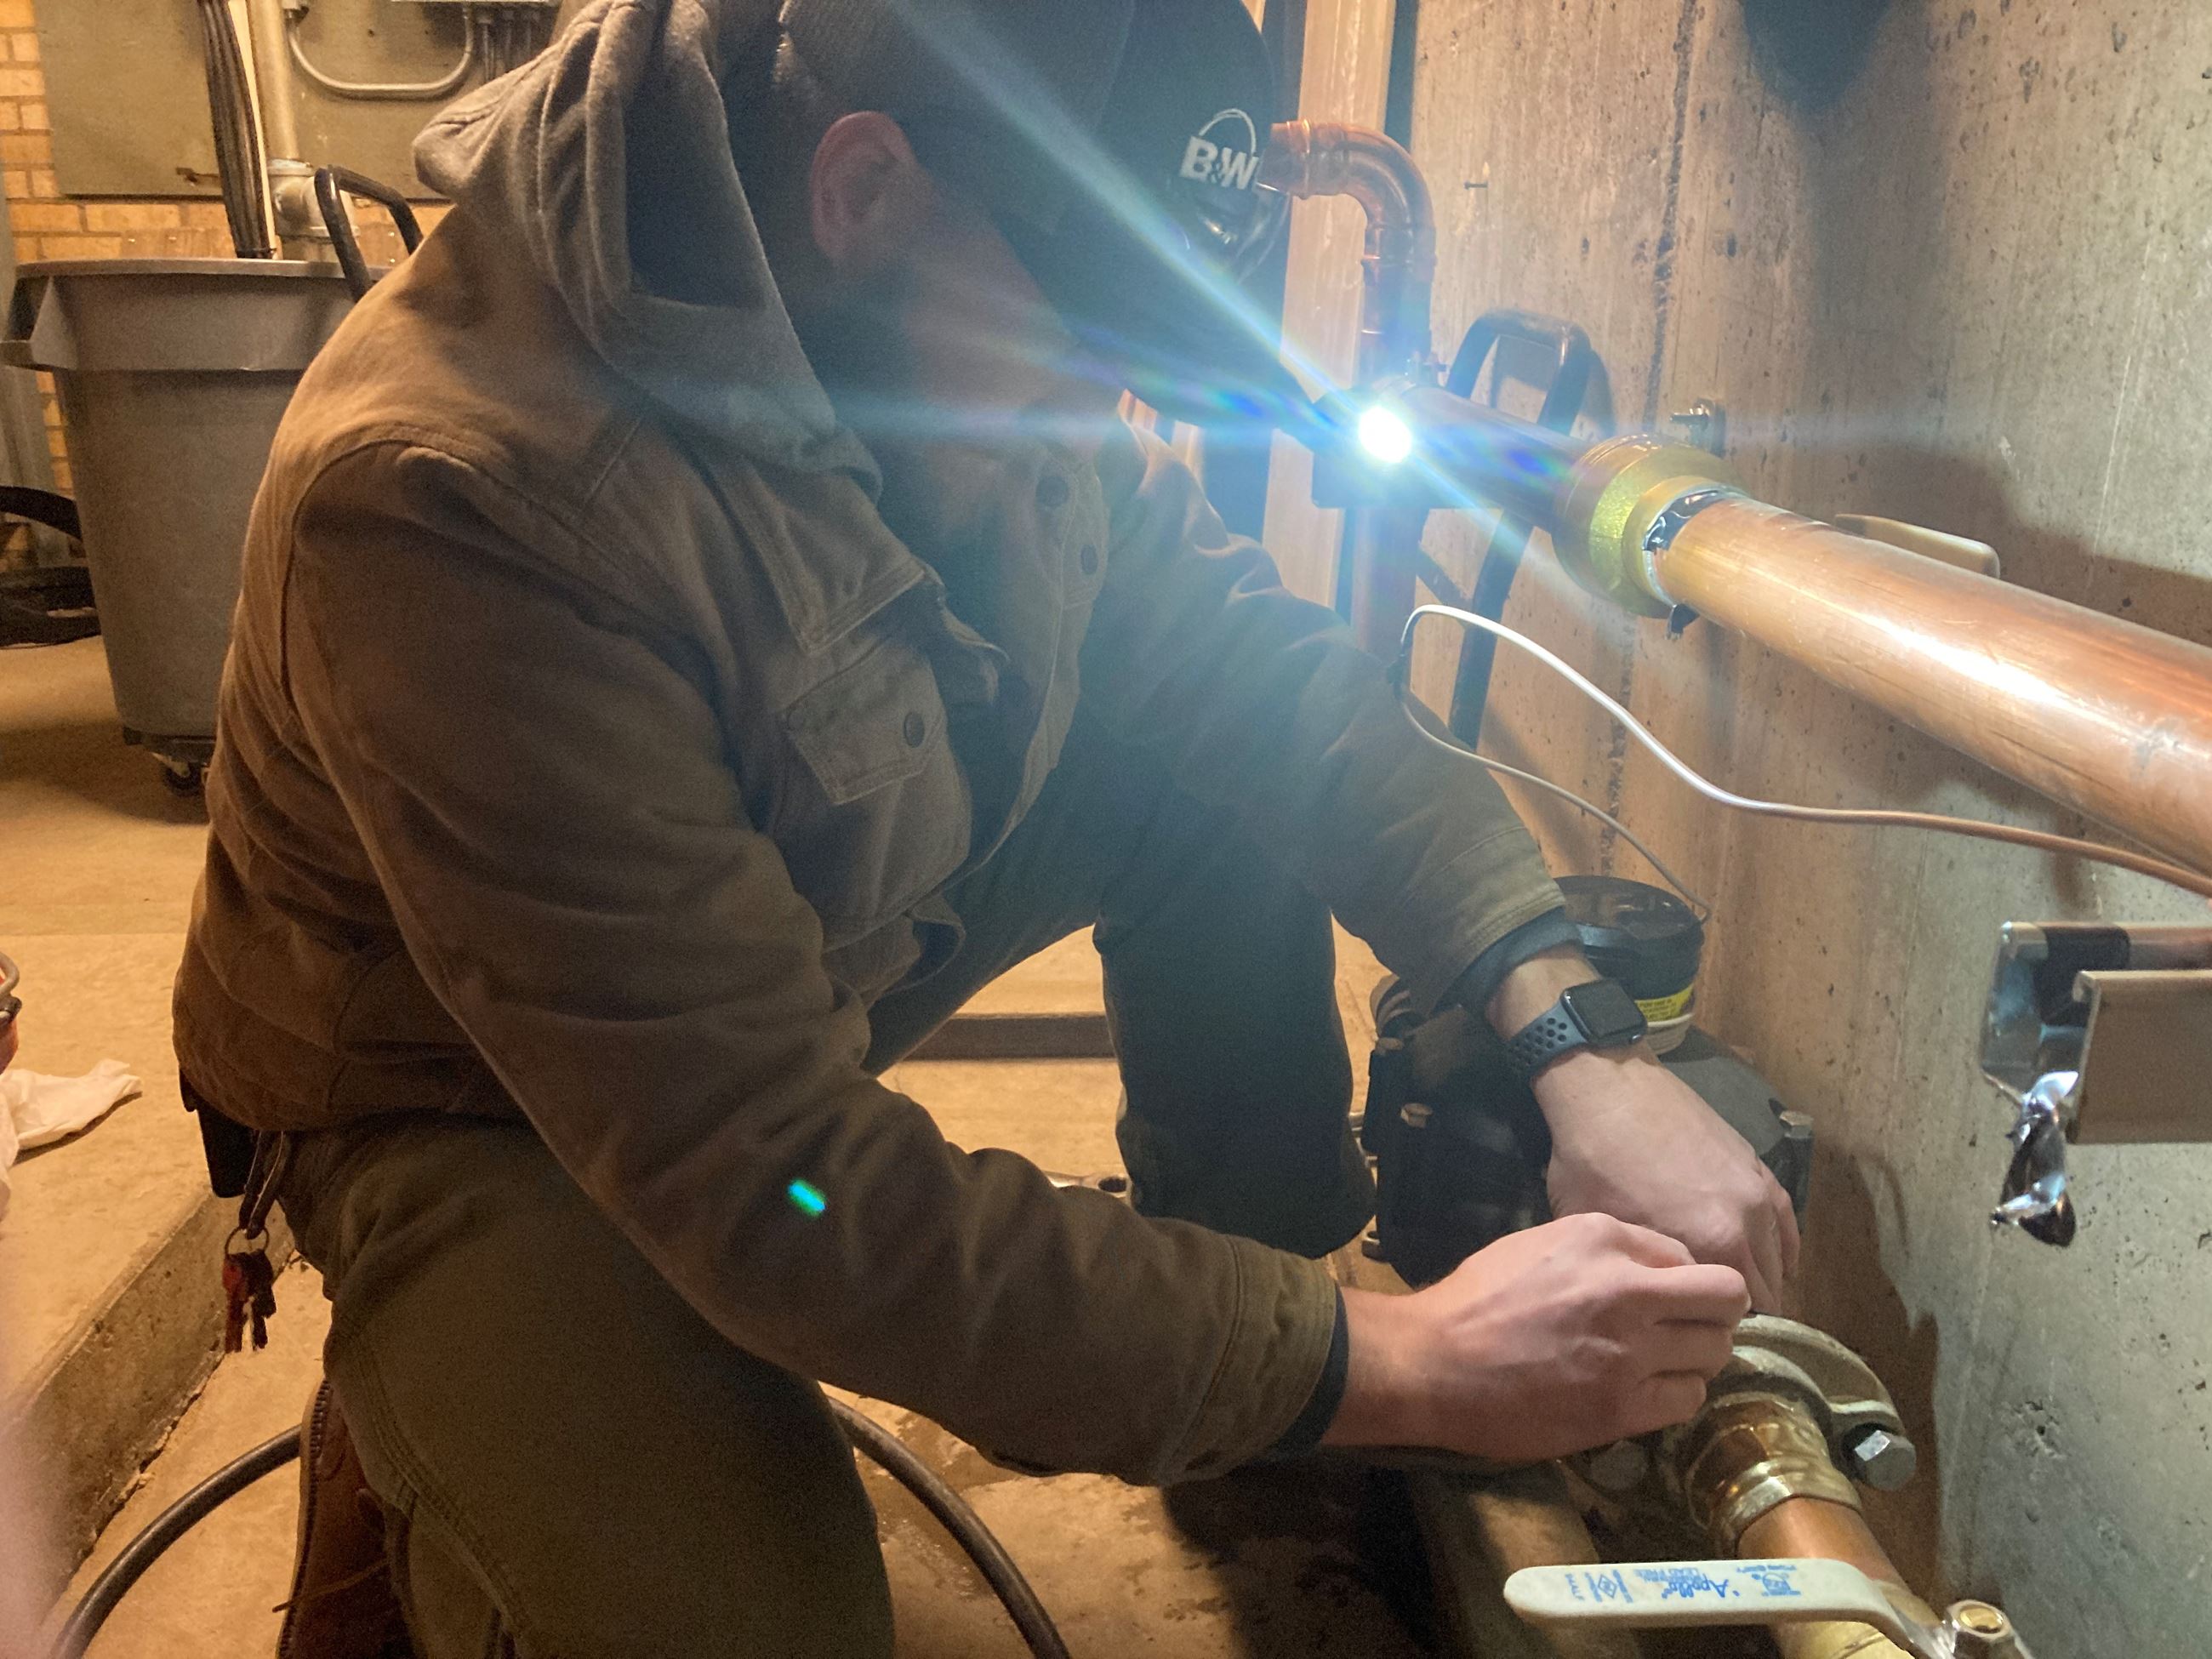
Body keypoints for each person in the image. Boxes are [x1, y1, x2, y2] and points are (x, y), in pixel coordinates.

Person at [173, 0, 1797, 1651]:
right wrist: (1402, 1366)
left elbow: (1261, 680)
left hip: (766, 945)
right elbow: (777, 1181)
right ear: (864, 189)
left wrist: (1572, 1030)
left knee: (1208, 771)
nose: (1106, 410)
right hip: (473, 1089)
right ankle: (450, 1385)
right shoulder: (460, 495)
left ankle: (1249, 1336)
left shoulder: (943, 315)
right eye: (1088, 341)